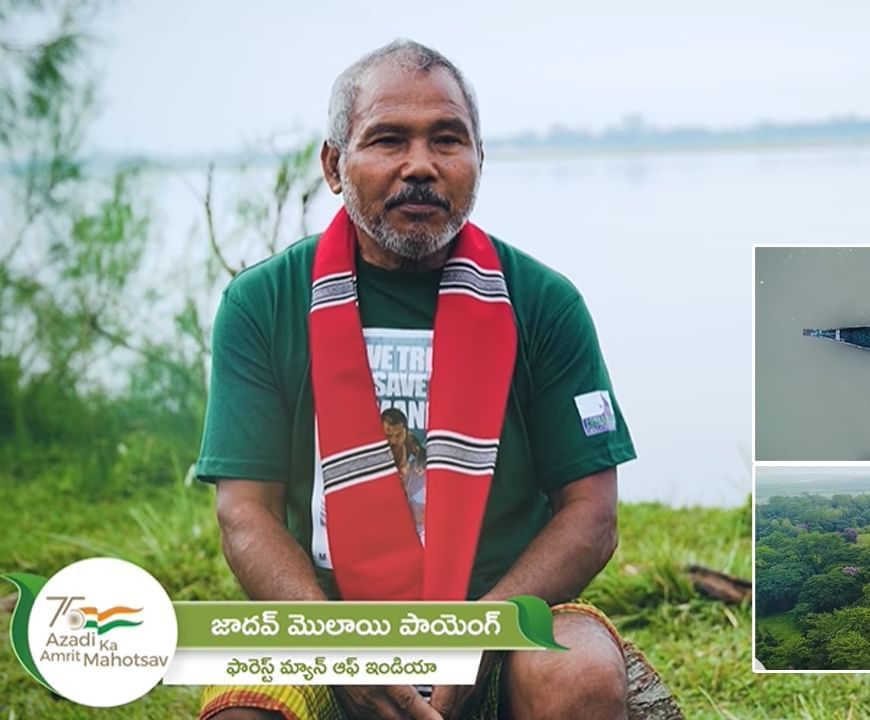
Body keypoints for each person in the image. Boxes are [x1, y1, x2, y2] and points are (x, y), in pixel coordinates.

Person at [196, 39, 636, 720]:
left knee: (576, 675)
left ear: (479, 160)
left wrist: (477, 633)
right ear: (334, 166)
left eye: (448, 141)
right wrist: (335, 646)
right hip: (328, 624)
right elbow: (244, 513)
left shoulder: (543, 302)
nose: (421, 166)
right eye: (388, 140)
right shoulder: (264, 302)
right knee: (242, 710)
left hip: (502, 621)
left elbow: (592, 513)